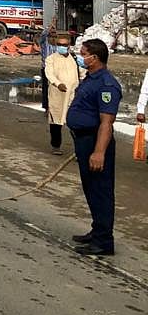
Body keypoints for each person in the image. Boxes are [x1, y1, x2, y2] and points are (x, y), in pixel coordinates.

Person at [65, 37, 122, 256]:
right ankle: (97, 230)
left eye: (83, 53)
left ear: (94, 58)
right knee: (90, 189)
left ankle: (104, 241)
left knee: (101, 191)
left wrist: (99, 152)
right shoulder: (90, 78)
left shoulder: (107, 84)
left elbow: (106, 123)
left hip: (95, 142)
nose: (80, 57)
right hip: (83, 140)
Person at [44, 34, 79, 156]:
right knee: (56, 121)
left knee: (75, 123)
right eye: (59, 45)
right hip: (57, 95)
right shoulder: (51, 59)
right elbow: (49, 74)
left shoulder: (74, 59)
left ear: (69, 46)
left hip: (73, 95)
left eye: (64, 45)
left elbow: (83, 73)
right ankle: (56, 146)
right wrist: (58, 84)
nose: (61, 47)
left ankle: (79, 150)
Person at [39, 20, 59, 110]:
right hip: (46, 69)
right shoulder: (45, 43)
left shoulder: (57, 47)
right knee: (46, 88)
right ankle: (47, 107)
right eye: (52, 35)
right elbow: (43, 35)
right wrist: (50, 27)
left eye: (55, 35)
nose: (54, 37)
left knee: (55, 88)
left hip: (56, 70)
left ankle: (54, 106)